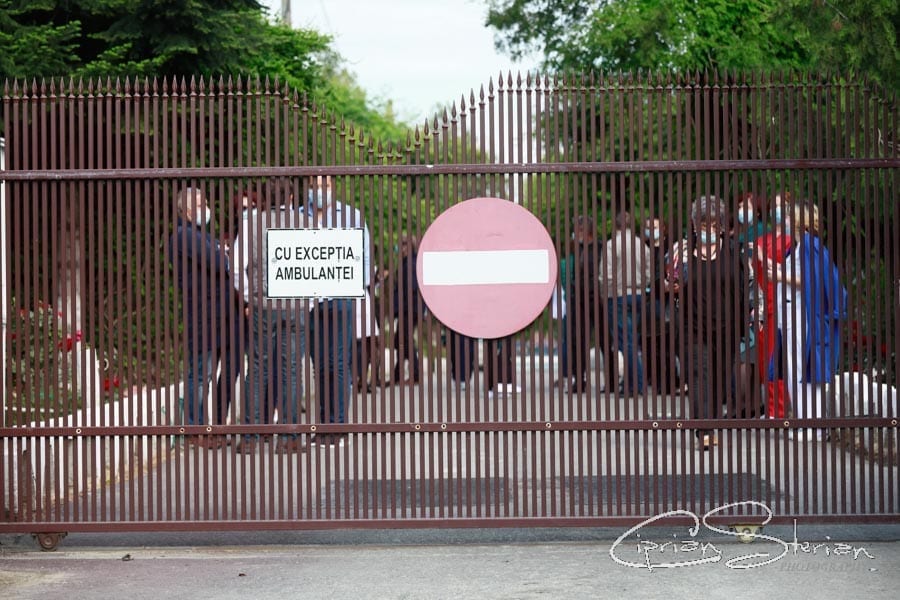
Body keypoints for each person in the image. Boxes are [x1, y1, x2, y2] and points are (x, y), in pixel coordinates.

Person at [232, 182, 306, 454]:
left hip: (263, 305)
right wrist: (307, 302)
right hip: (295, 305)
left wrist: (250, 295)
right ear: (291, 197)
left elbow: (236, 268)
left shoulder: (251, 224)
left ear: (264, 198)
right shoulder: (305, 224)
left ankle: (249, 439)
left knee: (258, 367)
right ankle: (289, 437)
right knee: (291, 369)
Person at [674, 195, 750, 450]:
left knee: (719, 379)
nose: (708, 230)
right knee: (699, 375)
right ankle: (704, 430)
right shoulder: (684, 251)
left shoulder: (733, 251)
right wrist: (673, 279)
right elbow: (668, 282)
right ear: (695, 225)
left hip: (726, 328)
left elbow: (746, 284)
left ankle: (711, 422)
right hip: (693, 328)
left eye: (714, 225)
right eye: (704, 225)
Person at [766, 201, 847, 441]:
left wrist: (779, 275)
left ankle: (813, 426)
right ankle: (807, 423)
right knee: (798, 370)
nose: (785, 220)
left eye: (789, 216)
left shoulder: (809, 245)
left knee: (803, 370)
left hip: (801, 316)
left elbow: (811, 280)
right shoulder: (802, 245)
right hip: (793, 314)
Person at [306, 175, 371, 446]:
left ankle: (339, 425)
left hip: (341, 298)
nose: (321, 191)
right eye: (317, 186)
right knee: (320, 365)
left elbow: (364, 255)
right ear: (310, 188)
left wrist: (358, 287)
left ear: (333, 188)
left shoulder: (352, 216)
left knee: (339, 363)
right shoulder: (300, 216)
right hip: (311, 302)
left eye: (326, 186)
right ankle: (323, 426)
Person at [167, 186, 234, 448]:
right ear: (185, 210)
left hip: (213, 317)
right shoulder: (185, 235)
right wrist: (225, 256)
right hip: (202, 317)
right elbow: (218, 262)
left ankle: (202, 427)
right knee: (199, 375)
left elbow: (219, 256)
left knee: (206, 374)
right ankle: (195, 430)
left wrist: (222, 254)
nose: (205, 209)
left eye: (204, 203)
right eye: (198, 205)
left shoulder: (200, 235)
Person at [599, 211, 651, 396]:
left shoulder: (611, 245)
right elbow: (648, 273)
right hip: (638, 296)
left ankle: (637, 384)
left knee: (625, 341)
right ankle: (631, 384)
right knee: (632, 339)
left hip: (618, 296)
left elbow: (606, 276)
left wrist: (605, 295)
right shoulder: (641, 245)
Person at [753, 191, 793, 418]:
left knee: (778, 360)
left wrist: (763, 259)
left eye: (781, 205)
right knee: (765, 361)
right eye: (774, 206)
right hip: (763, 305)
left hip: (785, 305)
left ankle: (778, 412)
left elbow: (792, 271)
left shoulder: (793, 241)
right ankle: (772, 409)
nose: (777, 210)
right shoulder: (762, 239)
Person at [564, 216, 605, 393]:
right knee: (577, 341)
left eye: (577, 231)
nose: (575, 234)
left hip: (597, 300)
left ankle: (611, 380)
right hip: (579, 301)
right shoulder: (578, 249)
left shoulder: (600, 248)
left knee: (605, 340)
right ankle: (579, 380)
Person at [642, 216, 679, 394]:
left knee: (666, 343)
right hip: (649, 301)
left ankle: (670, 381)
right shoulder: (644, 248)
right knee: (652, 343)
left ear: (663, 228)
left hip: (665, 300)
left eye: (655, 227)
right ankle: (657, 380)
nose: (652, 230)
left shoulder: (669, 248)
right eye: (649, 227)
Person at [390, 235, 422, 385]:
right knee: (400, 340)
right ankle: (398, 374)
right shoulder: (408, 262)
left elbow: (410, 289)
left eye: (401, 245)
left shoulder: (410, 264)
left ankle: (415, 374)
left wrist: (399, 308)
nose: (398, 248)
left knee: (405, 340)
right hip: (407, 308)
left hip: (409, 309)